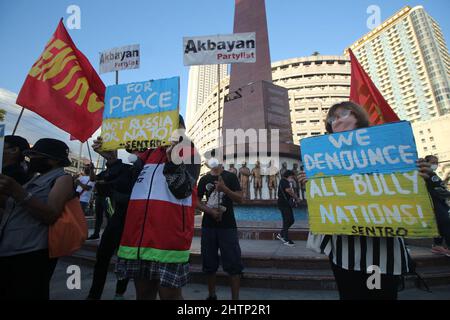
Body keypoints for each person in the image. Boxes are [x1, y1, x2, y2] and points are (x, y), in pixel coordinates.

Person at [301, 101, 433, 300]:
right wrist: (311, 185)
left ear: (357, 117)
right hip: (342, 250)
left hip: (380, 253)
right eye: (332, 118)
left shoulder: (388, 147)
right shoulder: (322, 157)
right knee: (349, 296)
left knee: (378, 295)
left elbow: (406, 194)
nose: (336, 120)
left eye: (342, 114)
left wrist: (419, 177)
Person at [112, 115, 201, 300]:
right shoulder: (147, 154)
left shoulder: (189, 152)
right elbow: (125, 185)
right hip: (138, 241)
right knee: (143, 295)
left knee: (170, 296)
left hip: (167, 242)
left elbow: (182, 189)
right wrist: (112, 160)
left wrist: (171, 160)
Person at [0, 138, 75, 300]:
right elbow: (14, 208)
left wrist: (17, 191)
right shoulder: (35, 178)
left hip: (32, 252)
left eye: (35, 155)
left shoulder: (63, 179)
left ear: (53, 159)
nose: (30, 159)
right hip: (11, 247)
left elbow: (51, 215)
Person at [197, 158, 244, 300]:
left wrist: (225, 189)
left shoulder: (231, 177)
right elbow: (196, 201)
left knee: (234, 264)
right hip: (208, 227)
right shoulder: (204, 179)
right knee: (209, 263)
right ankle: (211, 295)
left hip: (227, 226)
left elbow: (240, 199)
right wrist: (209, 211)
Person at [424, 155, 450, 256]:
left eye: (436, 163)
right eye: (433, 162)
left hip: (436, 204)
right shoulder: (430, 175)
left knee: (439, 225)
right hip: (436, 203)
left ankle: (437, 245)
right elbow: (440, 189)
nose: (435, 165)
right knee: (445, 223)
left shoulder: (427, 175)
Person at [276, 170, 300, 246]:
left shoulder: (284, 181)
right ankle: (286, 239)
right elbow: (288, 191)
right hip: (283, 204)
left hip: (286, 204)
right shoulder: (284, 181)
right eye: (292, 177)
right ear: (289, 176)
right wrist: (296, 198)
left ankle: (281, 234)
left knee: (291, 220)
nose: (292, 178)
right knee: (287, 221)